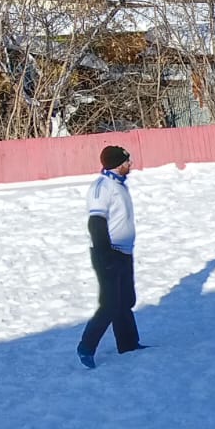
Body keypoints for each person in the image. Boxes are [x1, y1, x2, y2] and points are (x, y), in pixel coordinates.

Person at [76, 145, 145, 369]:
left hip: (123, 251)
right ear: (118, 163)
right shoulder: (102, 187)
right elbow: (96, 222)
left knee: (125, 300)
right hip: (109, 253)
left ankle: (128, 344)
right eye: (127, 161)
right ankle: (86, 347)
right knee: (110, 304)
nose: (130, 164)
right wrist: (105, 255)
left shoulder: (117, 185)